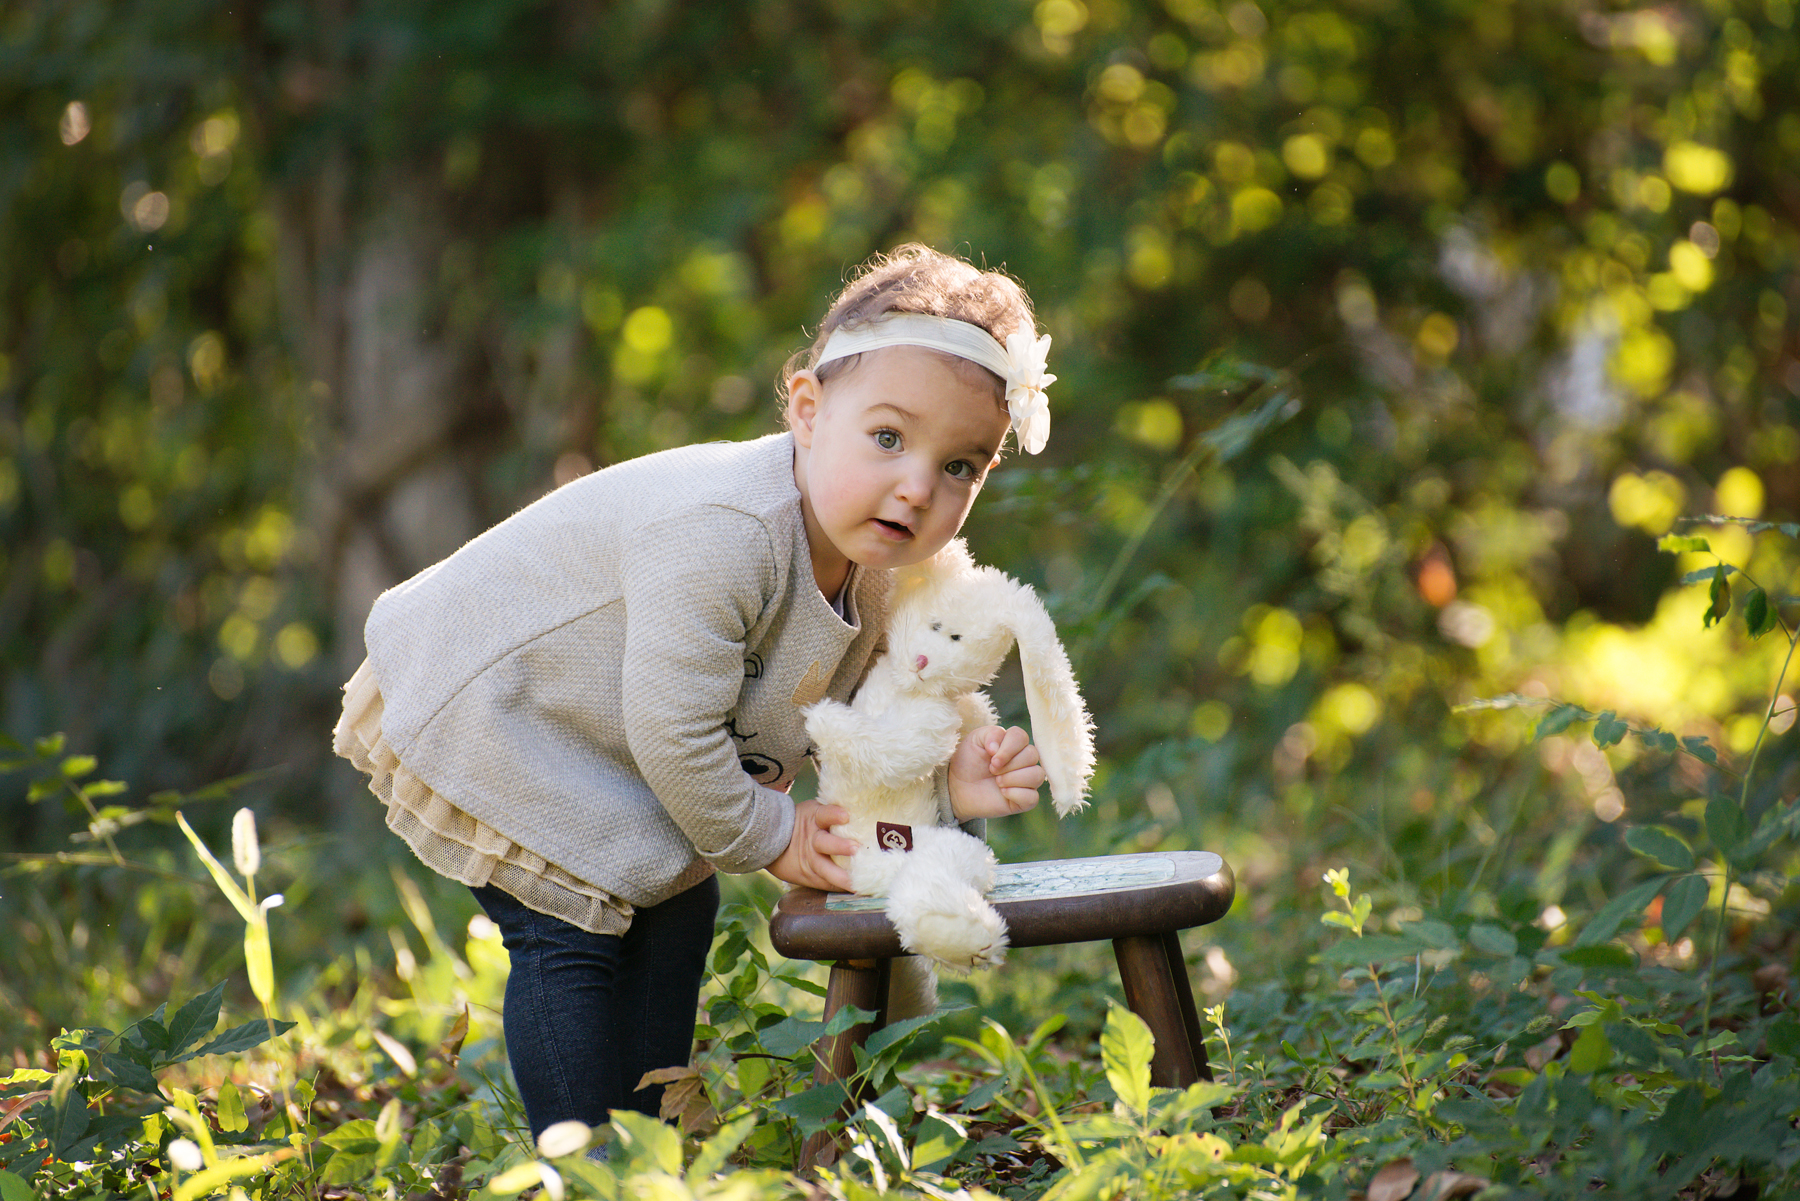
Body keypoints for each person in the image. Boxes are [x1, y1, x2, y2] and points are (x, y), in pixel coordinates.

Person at [332, 243, 1062, 1141]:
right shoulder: (729, 533)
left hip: (609, 729)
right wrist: (777, 834)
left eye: (961, 466)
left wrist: (953, 777)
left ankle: (648, 1142)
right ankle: (580, 1161)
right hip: (503, 692)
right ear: (807, 410)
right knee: (570, 930)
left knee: (677, 901)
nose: (916, 485)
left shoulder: (880, 568)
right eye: (888, 437)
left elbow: (873, 728)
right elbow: (675, 732)